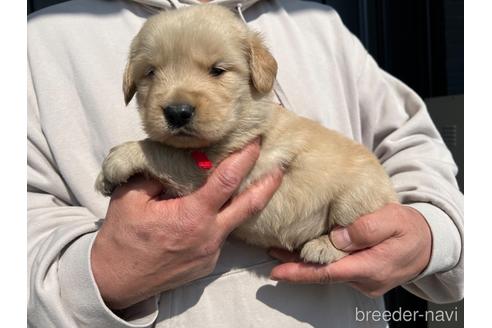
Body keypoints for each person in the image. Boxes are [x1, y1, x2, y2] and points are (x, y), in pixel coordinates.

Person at [27, 0, 463, 327]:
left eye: (216, 71)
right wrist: (97, 277)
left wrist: (432, 232)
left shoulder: (317, 21)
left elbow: (411, 144)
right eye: (151, 74)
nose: (177, 101)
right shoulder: (36, 42)